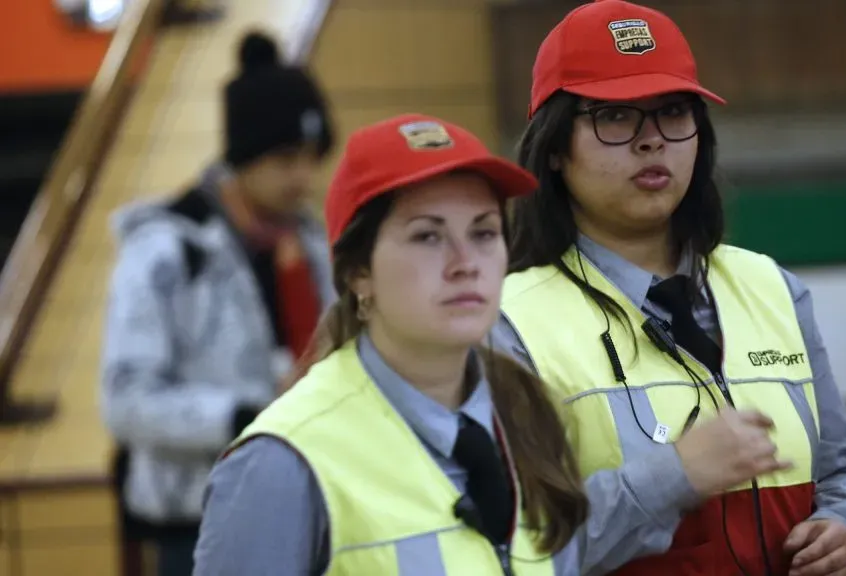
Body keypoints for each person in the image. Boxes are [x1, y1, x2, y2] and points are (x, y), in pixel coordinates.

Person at [192, 113, 705, 575]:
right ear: (357, 274)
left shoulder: (525, 412)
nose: (466, 262)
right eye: (428, 236)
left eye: (484, 233)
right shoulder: (281, 463)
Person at [493, 1, 846, 575]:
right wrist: (675, 476)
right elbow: (514, 542)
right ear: (554, 147)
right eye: (616, 116)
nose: (652, 140)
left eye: (673, 112)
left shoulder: (773, 289)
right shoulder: (510, 326)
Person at [101, 30, 335, 576]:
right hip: (196, 519)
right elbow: (126, 400)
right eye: (285, 158)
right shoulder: (167, 248)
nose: (304, 176)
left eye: (312, 156)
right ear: (243, 156)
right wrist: (248, 415)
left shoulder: (311, 243)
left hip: (308, 500)